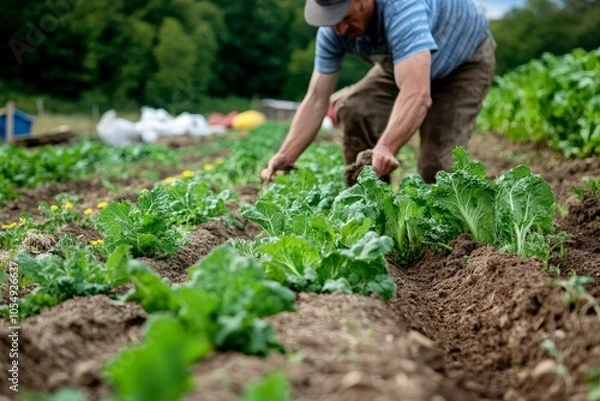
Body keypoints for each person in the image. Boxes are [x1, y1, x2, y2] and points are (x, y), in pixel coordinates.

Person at [261, 0, 496, 186]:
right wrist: (286, 155)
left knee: (436, 167)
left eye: (345, 17)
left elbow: (417, 94)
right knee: (355, 108)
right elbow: (315, 100)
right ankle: (370, 209)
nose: (340, 29)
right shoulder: (333, 31)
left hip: (462, 65)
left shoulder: (402, 8)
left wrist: (386, 147)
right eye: (333, 20)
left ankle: (456, 237)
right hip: (402, 64)